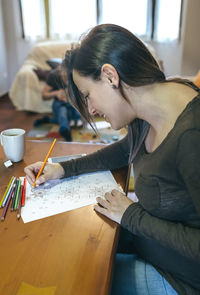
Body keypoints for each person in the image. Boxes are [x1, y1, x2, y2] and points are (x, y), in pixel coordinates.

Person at [24, 24, 200, 295]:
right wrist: (62, 168)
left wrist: (132, 215)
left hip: (181, 279)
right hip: (152, 247)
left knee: (73, 283)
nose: (92, 109)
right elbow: (124, 149)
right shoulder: (151, 104)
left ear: (109, 76)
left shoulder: (191, 136)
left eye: (87, 95)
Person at [34, 65, 83, 141]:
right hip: (59, 103)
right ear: (61, 70)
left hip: (71, 104)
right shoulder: (54, 75)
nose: (66, 78)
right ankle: (65, 129)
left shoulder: (76, 75)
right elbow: (44, 95)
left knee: (70, 115)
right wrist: (56, 93)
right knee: (62, 111)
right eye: (64, 75)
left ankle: (48, 120)